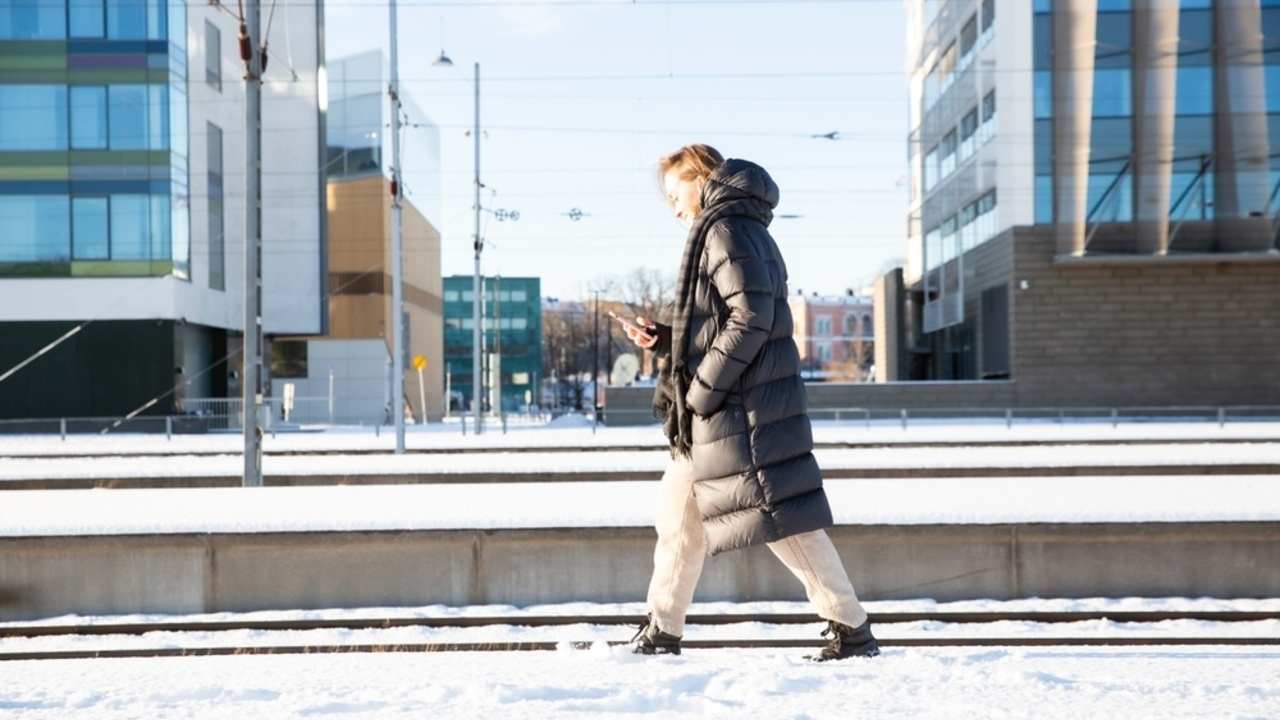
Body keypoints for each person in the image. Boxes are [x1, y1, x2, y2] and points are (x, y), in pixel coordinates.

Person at [620, 144, 879, 662]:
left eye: (676, 193)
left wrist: (701, 390)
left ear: (701, 177)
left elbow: (750, 318)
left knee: (780, 520)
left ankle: (851, 627)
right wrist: (669, 337)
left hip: (735, 409)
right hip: (731, 407)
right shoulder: (737, 226)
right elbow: (727, 318)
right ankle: (661, 629)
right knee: (680, 517)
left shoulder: (724, 229)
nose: (673, 206)